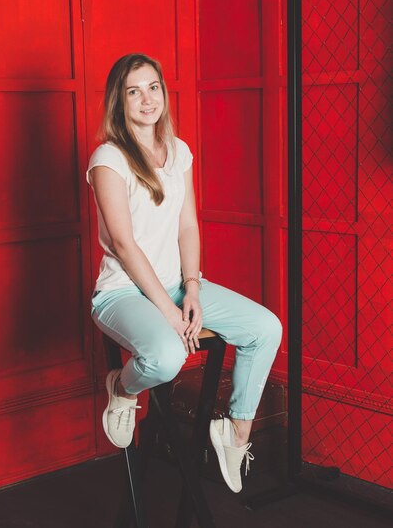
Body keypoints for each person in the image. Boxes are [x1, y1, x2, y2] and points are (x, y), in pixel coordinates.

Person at [86, 53, 282, 493]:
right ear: (119, 100)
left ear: (163, 92)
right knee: (167, 357)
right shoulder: (108, 158)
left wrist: (191, 288)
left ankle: (236, 432)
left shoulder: (178, 151)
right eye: (133, 91)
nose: (146, 99)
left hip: (176, 285)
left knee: (266, 328)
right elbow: (124, 244)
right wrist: (170, 315)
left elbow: (187, 225)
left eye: (153, 86)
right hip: (122, 294)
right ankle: (122, 386)